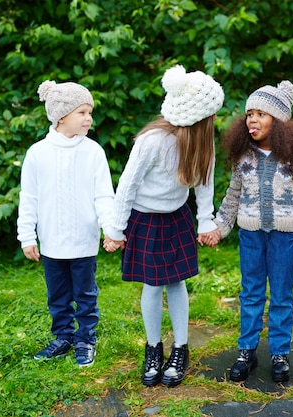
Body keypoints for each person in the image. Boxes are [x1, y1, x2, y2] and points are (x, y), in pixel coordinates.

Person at [102, 65, 224, 388]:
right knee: (153, 286)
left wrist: (206, 220)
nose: (215, 120)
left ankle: (180, 348)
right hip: (145, 219)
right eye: (211, 115)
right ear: (198, 117)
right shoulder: (153, 141)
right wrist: (116, 228)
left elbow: (204, 184)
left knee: (176, 282)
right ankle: (154, 347)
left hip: (176, 217)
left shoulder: (202, 143)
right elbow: (127, 184)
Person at [203, 81, 293, 384]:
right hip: (250, 235)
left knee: (281, 294)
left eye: (261, 114)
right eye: (249, 114)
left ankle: (279, 352)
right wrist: (219, 227)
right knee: (250, 293)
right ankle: (246, 350)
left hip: (284, 236)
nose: (252, 119)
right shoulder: (244, 157)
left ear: (278, 121)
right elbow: (232, 197)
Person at [17, 80, 114, 368]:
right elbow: (29, 197)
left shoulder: (93, 152)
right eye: (82, 112)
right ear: (61, 117)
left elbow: (103, 195)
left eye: (90, 112)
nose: (89, 119)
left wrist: (110, 228)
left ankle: (85, 338)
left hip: (83, 240)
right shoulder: (38, 153)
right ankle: (63, 336)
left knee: (85, 293)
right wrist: (27, 236)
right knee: (57, 295)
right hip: (51, 242)